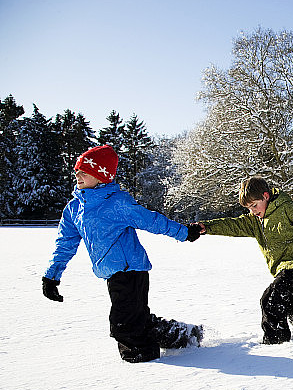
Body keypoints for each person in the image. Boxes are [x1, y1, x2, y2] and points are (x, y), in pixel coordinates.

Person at [42, 145, 203, 363]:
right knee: (137, 320)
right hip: (111, 272)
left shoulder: (117, 202)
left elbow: (151, 220)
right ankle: (185, 335)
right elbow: (65, 243)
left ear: (101, 175)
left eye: (84, 171)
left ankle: (144, 362)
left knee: (124, 325)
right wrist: (52, 276)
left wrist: (184, 232)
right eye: (77, 170)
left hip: (130, 269)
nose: (77, 175)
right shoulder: (74, 208)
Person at [194, 176, 293, 344]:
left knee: (271, 300)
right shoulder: (255, 221)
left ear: (266, 196)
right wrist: (207, 227)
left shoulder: (291, 210)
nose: (253, 211)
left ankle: (275, 344)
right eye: (249, 208)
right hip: (283, 269)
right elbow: (232, 225)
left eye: (254, 205)